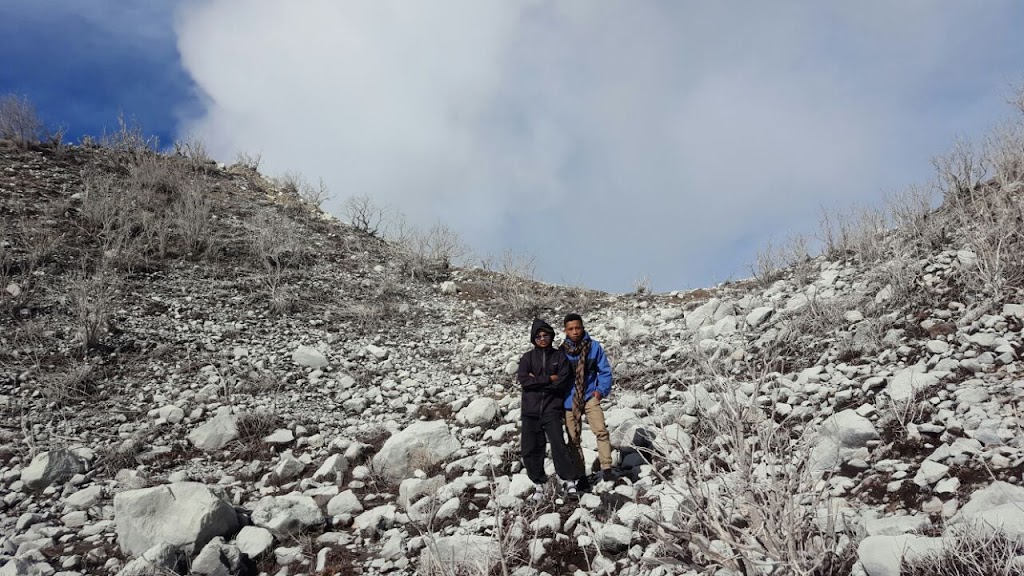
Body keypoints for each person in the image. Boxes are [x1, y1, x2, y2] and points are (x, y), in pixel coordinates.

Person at [517, 318, 579, 501]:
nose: (542, 339)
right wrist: (548, 379)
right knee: (531, 448)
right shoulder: (527, 358)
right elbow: (524, 381)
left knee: (559, 444)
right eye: (538, 336)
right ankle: (539, 484)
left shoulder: (560, 358)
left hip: (552, 409)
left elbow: (562, 382)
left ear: (551, 336)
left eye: (545, 335)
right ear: (533, 339)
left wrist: (538, 381)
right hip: (530, 410)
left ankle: (569, 481)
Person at [560, 313, 614, 488]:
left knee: (601, 431)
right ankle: (581, 475)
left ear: (582, 327)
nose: (575, 332)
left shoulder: (594, 347)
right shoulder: (561, 353)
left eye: (578, 328)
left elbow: (605, 371)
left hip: (590, 396)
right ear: (565, 331)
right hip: (569, 400)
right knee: (573, 439)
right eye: (571, 329)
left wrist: (600, 392)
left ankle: (607, 468)